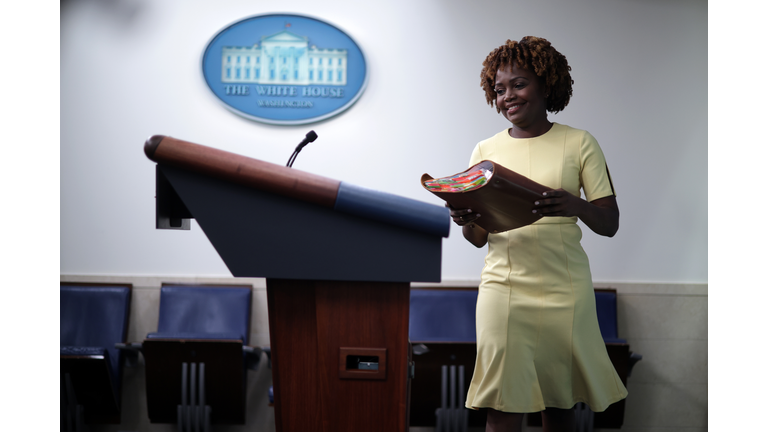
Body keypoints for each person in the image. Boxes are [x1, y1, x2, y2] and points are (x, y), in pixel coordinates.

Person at [450, 37, 628, 432]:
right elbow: (478, 237)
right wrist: (465, 218)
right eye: (499, 89)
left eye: (518, 84)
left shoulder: (579, 143)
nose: (507, 96)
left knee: (559, 402)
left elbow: (610, 223)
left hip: (564, 288)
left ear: (547, 84)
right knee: (502, 401)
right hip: (504, 287)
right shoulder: (485, 150)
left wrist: (576, 206)